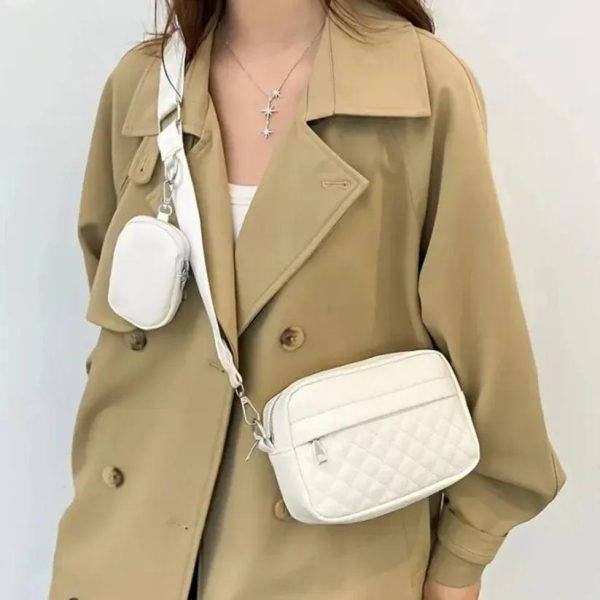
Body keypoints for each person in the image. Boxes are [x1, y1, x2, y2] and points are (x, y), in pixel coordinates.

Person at [49, 1, 566, 599]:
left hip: (333, 564)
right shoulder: (144, 83)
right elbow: (120, 325)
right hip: (120, 552)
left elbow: (487, 344)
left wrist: (462, 557)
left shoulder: (419, 85)